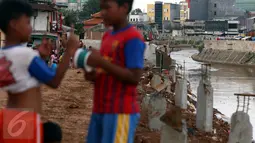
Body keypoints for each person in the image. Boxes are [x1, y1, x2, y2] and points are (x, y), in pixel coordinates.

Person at [0, 0, 79, 143]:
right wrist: (69, 51)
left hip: (9, 119)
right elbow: (54, 81)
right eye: (28, 23)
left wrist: (41, 58)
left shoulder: (3, 55)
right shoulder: (26, 55)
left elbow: (23, 77)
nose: (31, 28)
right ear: (14, 24)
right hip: (26, 121)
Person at [76, 0, 146, 142]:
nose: (103, 13)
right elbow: (106, 70)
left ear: (124, 7)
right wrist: (92, 74)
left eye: (107, 8)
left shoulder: (133, 38)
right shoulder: (108, 36)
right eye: (101, 8)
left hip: (120, 112)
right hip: (100, 109)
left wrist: (101, 62)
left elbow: (134, 77)